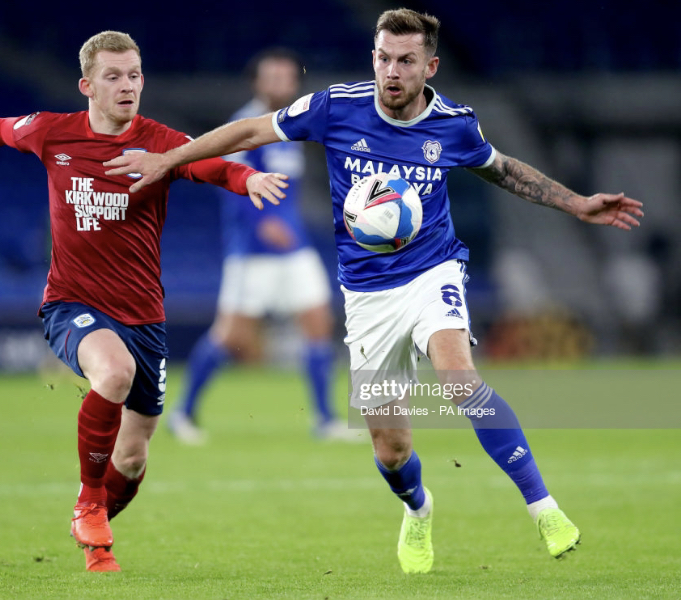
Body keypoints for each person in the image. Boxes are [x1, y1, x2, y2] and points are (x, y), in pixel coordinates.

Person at [103, 9, 644, 574]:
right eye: (384, 57)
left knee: (459, 378)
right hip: (366, 296)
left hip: (433, 271)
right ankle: (418, 507)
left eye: (406, 61)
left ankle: (544, 507)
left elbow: (504, 170)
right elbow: (248, 131)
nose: (392, 70)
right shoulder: (335, 107)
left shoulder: (454, 124)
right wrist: (169, 158)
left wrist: (576, 202)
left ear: (429, 66)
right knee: (392, 451)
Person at [0, 31, 288, 573]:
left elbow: (213, 165)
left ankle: (97, 530)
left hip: (145, 315)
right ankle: (88, 505)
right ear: (87, 85)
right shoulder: (52, 133)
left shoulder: (159, 142)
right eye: (113, 76)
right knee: (112, 372)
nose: (128, 85)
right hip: (72, 301)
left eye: (134, 75)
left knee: (132, 456)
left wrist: (247, 178)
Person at [169, 48, 357, 444]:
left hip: (295, 249)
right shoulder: (243, 124)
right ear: (257, 82)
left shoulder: (290, 128)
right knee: (229, 336)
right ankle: (182, 413)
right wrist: (262, 222)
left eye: (286, 77)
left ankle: (325, 420)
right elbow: (228, 179)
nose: (279, 84)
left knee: (319, 325)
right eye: (271, 77)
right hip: (252, 252)